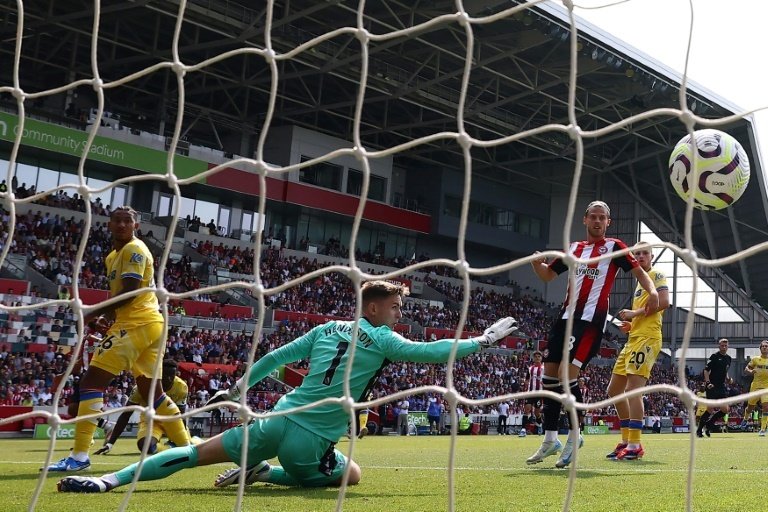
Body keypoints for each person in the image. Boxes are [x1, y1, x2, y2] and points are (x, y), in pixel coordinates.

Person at [57, 280, 518, 493]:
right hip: (310, 439)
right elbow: (432, 353)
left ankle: (106, 481)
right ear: (375, 309)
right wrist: (481, 341)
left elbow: (275, 358)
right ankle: (268, 474)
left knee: (195, 455)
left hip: (274, 418)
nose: (399, 313)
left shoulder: (326, 328)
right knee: (351, 475)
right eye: (395, 307)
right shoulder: (382, 337)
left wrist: (239, 389)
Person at [45, 206, 188, 473]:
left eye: (127, 221)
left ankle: (78, 457)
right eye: (117, 221)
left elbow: (132, 292)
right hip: (147, 323)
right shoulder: (113, 256)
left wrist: (89, 313)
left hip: (139, 323)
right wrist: (106, 318)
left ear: (136, 226)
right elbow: (120, 295)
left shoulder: (134, 249)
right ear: (109, 225)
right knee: (152, 394)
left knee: (91, 383)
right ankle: (188, 448)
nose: (122, 225)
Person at [527, 201, 659, 468]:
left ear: (608, 223)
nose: (598, 221)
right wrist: (536, 263)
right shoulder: (574, 249)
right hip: (564, 319)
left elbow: (639, 273)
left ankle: (576, 438)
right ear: (585, 220)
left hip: (590, 323)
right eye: (594, 217)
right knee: (549, 379)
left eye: (602, 218)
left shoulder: (615, 247)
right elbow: (548, 276)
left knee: (567, 376)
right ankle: (550, 439)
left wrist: (653, 291)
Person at [605, 243, 669, 460]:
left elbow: (664, 302)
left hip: (648, 338)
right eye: (637, 253)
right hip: (634, 338)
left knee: (633, 390)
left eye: (645, 253)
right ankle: (625, 439)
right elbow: (646, 314)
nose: (640, 256)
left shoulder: (656, 274)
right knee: (614, 390)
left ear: (651, 256)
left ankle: (635, 444)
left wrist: (633, 313)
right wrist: (631, 325)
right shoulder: (639, 283)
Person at [94, 359, 192, 455]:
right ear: (159, 374)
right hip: (150, 421)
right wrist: (110, 443)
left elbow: (181, 414)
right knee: (145, 446)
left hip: (172, 421)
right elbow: (126, 415)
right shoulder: (141, 388)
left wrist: (180, 435)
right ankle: (167, 448)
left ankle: (192, 441)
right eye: (165, 375)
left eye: (172, 375)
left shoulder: (181, 387)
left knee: (186, 448)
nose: (169, 379)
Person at [696, 338, 732, 437]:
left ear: (728, 346)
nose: (724, 347)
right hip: (712, 386)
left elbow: (725, 371)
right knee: (710, 409)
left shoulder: (728, 358)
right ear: (719, 346)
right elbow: (706, 370)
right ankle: (699, 430)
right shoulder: (714, 356)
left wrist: (728, 379)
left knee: (725, 409)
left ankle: (709, 424)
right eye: (722, 345)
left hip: (721, 386)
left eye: (725, 346)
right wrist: (708, 382)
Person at [741, 340, 768, 436]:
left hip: (766, 388)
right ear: (760, 348)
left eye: (766, 346)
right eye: (763, 346)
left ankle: (763, 429)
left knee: (766, 407)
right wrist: (750, 371)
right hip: (755, 387)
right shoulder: (755, 359)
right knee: (750, 408)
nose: (765, 347)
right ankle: (745, 418)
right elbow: (746, 369)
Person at [520, 350, 544, 437]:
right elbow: (527, 379)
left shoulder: (543, 369)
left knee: (537, 413)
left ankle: (540, 424)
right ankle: (523, 430)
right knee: (527, 410)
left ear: (541, 358)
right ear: (533, 358)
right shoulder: (530, 369)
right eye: (535, 357)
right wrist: (525, 383)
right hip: (530, 393)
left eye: (539, 357)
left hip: (539, 394)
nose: (537, 358)